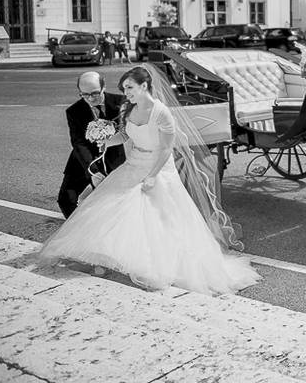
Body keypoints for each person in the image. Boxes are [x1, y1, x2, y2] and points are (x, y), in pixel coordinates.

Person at [39, 65, 260, 295]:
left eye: (130, 88)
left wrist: (153, 176)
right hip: (134, 163)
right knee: (114, 207)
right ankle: (109, 256)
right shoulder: (128, 108)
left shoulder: (161, 112)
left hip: (158, 167)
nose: (126, 93)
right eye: (124, 88)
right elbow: (125, 134)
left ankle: (157, 262)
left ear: (144, 86)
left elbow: (165, 148)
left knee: (157, 215)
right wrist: (106, 141)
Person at [58, 71, 126, 218]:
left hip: (116, 159)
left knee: (114, 202)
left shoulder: (121, 102)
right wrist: (93, 171)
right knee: (65, 199)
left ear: (104, 87)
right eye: (85, 94)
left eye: (95, 93)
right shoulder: (73, 111)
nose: (90, 98)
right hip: (84, 160)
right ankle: (77, 230)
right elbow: (78, 143)